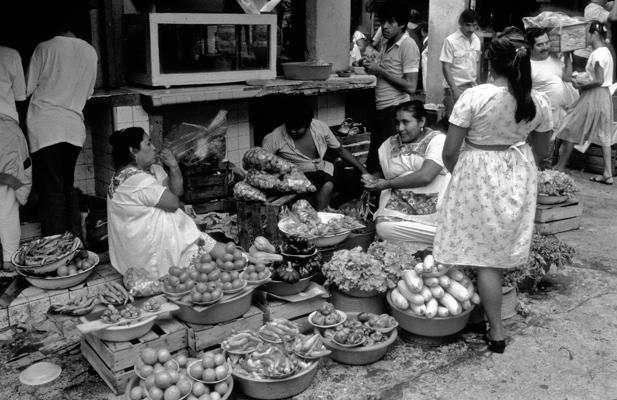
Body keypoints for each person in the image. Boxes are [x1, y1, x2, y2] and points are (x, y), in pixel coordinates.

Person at [433, 29, 552, 353]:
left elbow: (449, 152)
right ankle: (482, 316)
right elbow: (541, 152)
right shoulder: (537, 101)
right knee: (490, 255)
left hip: (476, 174)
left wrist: (465, 174)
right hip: (516, 174)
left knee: (482, 256)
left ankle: (496, 331)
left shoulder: (474, 96)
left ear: (489, 61)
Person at [107, 127, 228, 278]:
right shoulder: (138, 180)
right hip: (144, 257)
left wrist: (174, 166)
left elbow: (176, 193)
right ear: (133, 151)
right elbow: (173, 202)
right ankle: (225, 256)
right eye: (148, 144)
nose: (154, 148)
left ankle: (222, 254)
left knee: (185, 223)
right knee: (178, 216)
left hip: (129, 255)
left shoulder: (123, 175)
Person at [26, 19, 97, 238]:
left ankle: (56, 249)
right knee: (67, 185)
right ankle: (75, 244)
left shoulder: (44, 48)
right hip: (73, 129)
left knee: (51, 191)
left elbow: (26, 89)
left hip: (46, 127)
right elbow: (88, 93)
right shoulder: (90, 52)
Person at [363, 100, 451, 244]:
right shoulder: (389, 144)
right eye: (397, 122)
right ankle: (436, 241)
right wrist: (372, 179)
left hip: (433, 205)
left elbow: (426, 176)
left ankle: (440, 238)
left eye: (405, 122)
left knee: (445, 232)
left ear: (421, 121)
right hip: (397, 206)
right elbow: (383, 171)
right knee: (384, 228)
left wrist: (387, 184)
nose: (400, 128)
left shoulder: (437, 140)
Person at [262, 99, 371, 210]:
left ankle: (332, 205)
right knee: (325, 181)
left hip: (325, 169)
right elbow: (261, 162)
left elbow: (340, 150)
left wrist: (363, 171)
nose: (293, 131)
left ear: (308, 124)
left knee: (361, 183)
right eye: (290, 128)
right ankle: (319, 215)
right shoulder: (274, 138)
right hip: (300, 177)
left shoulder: (319, 127)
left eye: (297, 128)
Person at [554, 21, 616, 184]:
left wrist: (579, 84)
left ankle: (560, 166)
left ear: (594, 34)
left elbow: (599, 79)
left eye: (588, 34)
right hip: (604, 96)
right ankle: (608, 173)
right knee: (604, 134)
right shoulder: (606, 52)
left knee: (570, 125)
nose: (586, 38)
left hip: (594, 94)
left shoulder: (597, 54)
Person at [364, 1, 420, 173]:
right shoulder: (385, 42)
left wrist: (379, 71)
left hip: (394, 110)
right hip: (381, 109)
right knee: (376, 160)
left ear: (402, 23)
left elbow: (411, 86)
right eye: (383, 22)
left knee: (388, 164)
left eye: (391, 22)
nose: (385, 27)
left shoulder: (408, 45)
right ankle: (375, 196)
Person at [526, 28, 578, 167]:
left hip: (554, 118)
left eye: (547, 43)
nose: (545, 47)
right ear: (531, 46)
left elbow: (567, 77)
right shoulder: (527, 65)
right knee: (534, 156)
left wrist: (567, 56)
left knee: (546, 157)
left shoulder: (555, 58)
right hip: (536, 120)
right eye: (540, 45)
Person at [0, 46, 31, 271]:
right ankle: (10, 261)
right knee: (6, 200)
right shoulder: (10, 55)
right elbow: (21, 95)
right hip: (5, 131)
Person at [440, 9, 482, 117]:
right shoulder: (450, 41)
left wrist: (477, 85)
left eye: (474, 25)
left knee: (468, 119)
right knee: (453, 118)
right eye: (468, 25)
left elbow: (476, 63)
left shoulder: (477, 40)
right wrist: (454, 90)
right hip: (455, 87)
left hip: (472, 87)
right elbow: (446, 67)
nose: (471, 29)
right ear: (461, 23)